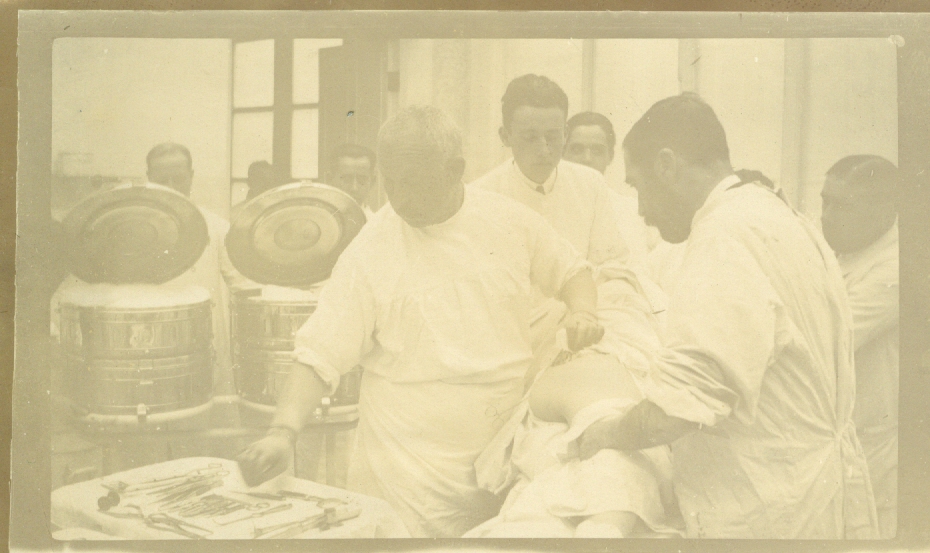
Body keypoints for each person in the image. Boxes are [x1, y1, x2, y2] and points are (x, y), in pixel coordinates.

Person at [236, 105, 605, 538]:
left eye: (412, 182)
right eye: (390, 182)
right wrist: (282, 431)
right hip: (406, 474)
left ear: (455, 171)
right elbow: (319, 353)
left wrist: (583, 311)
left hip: (502, 455)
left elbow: (572, 271)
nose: (399, 198)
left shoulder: (509, 221)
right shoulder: (370, 250)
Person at [577, 93, 879, 539]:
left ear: (667, 165)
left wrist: (606, 433)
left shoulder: (724, 238)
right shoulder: (775, 214)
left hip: (770, 510)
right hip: (806, 489)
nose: (641, 211)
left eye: (638, 187)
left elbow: (679, 408)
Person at [470, 75, 659, 386]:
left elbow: (611, 267)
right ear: (506, 136)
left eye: (553, 136)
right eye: (530, 137)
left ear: (565, 133)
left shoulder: (589, 184)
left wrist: (584, 313)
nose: (544, 149)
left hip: (589, 319)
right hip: (522, 334)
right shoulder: (482, 197)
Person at [821, 154, 899, 539]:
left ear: (883, 211)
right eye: (825, 202)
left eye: (842, 206)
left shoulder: (895, 268)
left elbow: (825, 336)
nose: (826, 217)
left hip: (876, 450)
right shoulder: (841, 253)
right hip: (840, 442)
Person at [563, 111, 655, 267]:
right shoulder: (549, 206)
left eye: (597, 151)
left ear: (610, 156)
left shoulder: (634, 212)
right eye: (577, 150)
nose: (587, 159)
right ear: (562, 153)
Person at [325, 143, 378, 216]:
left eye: (362, 180)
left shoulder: (379, 222)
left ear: (372, 181)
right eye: (346, 179)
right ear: (329, 179)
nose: (354, 188)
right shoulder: (315, 219)